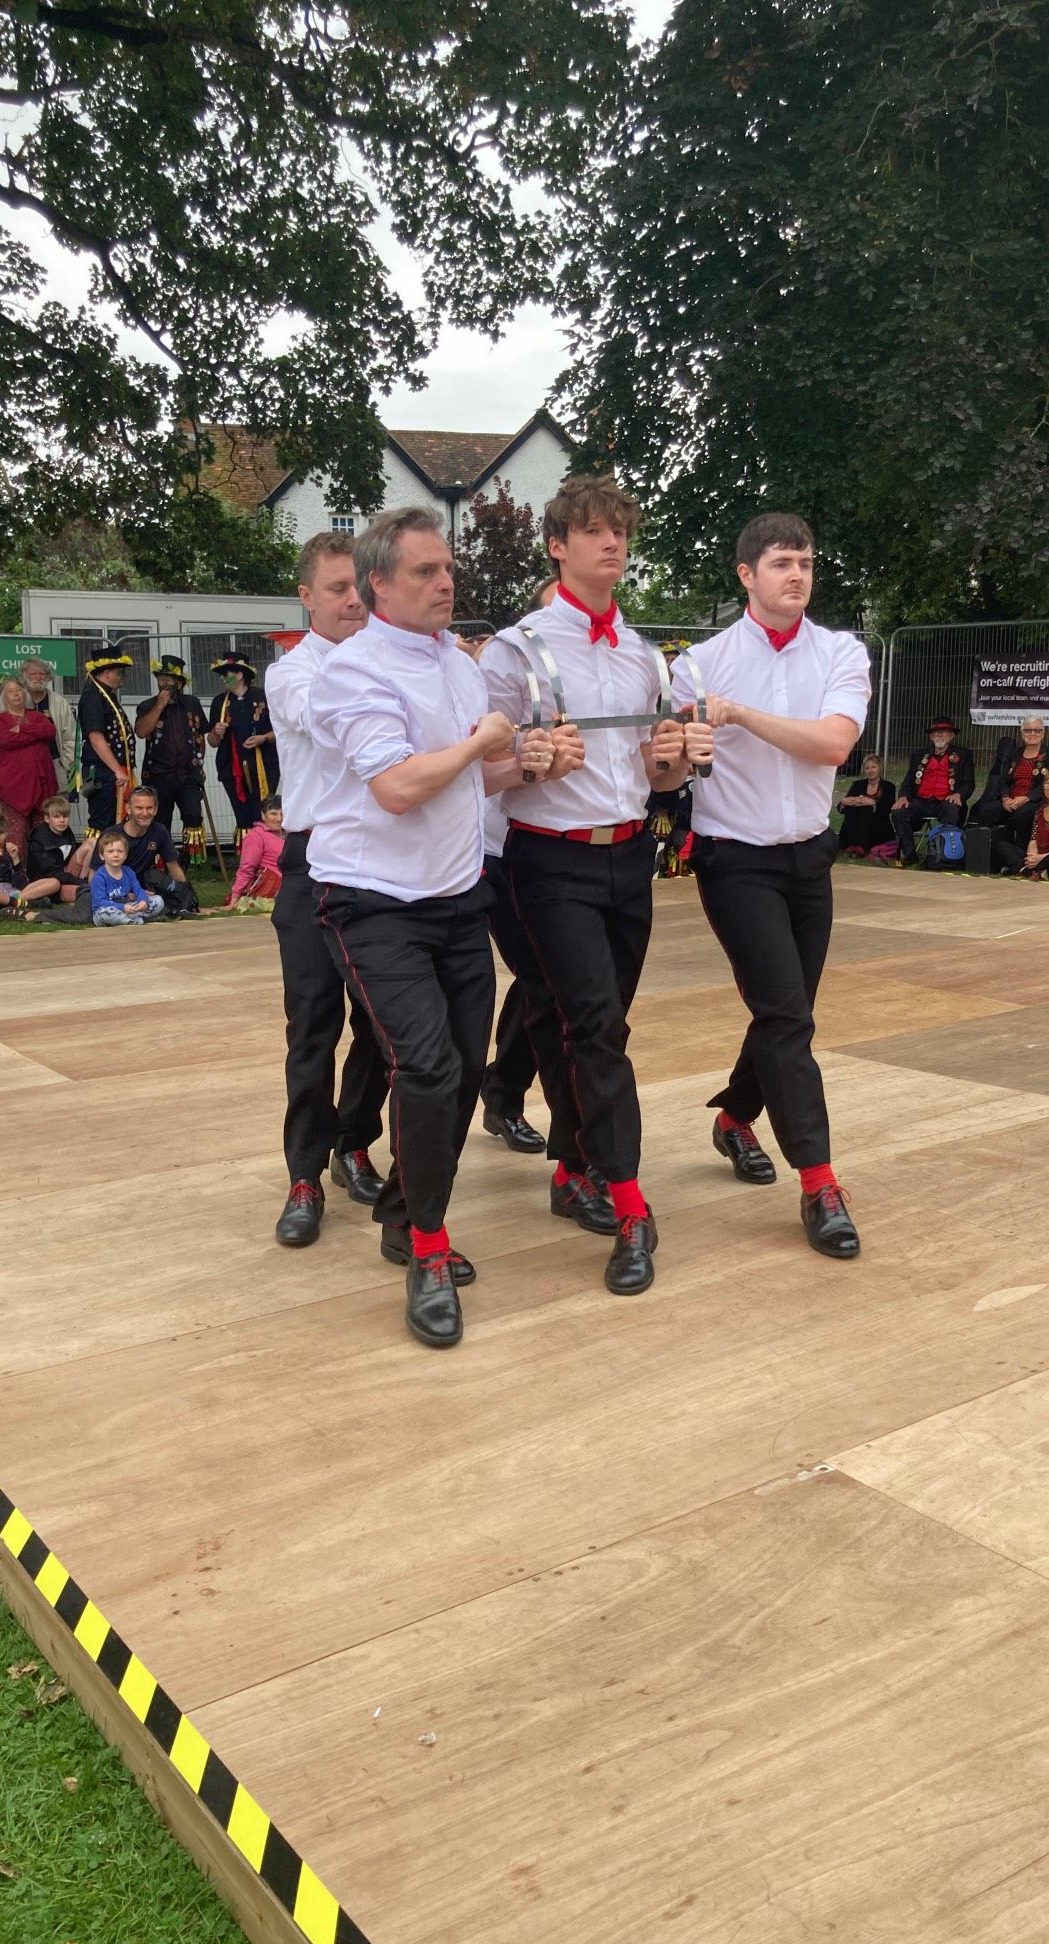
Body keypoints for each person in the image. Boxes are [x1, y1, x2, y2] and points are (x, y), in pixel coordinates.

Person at [309, 506, 531, 1346]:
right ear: (378, 585)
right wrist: (484, 745)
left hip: (456, 898)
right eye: (425, 573)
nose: (445, 583)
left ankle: (405, 1213)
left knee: (461, 1071)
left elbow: (477, 778)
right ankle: (429, 1253)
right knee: (429, 1068)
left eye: (448, 569)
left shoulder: (458, 665)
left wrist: (522, 764)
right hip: (371, 898)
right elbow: (399, 787)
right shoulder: (351, 671)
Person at [481, 473, 693, 1297]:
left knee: (595, 1027)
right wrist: (523, 762)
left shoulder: (643, 655)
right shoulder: (516, 648)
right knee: (596, 1027)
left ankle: (572, 1167)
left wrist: (672, 763)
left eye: (621, 532)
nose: (613, 543)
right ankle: (631, 1201)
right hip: (549, 861)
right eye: (594, 531)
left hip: (630, 856)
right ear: (557, 546)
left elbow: (654, 772)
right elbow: (481, 770)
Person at [676, 512, 870, 1258]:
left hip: (808, 858)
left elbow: (833, 742)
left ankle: (734, 1118)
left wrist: (743, 717)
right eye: (782, 562)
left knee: (786, 1012)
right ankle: (819, 1183)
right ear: (746, 575)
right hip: (735, 860)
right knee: (787, 1016)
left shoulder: (840, 652)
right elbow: (670, 763)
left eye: (807, 562)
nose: (797, 575)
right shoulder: (700, 663)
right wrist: (685, 738)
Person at [263, 529, 391, 1248]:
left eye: (361, 587)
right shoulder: (293, 674)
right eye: (338, 589)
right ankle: (304, 1174)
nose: (353, 600)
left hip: (380, 862)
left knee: (380, 1021)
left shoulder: (390, 661)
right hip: (314, 861)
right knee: (313, 1023)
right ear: (307, 597)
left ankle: (354, 1141)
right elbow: (330, 722)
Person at [478, 575, 559, 1156]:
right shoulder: (507, 675)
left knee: (549, 983)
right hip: (498, 849)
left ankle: (503, 1092)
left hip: (566, 853)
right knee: (542, 980)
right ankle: (504, 1095)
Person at [135, 655, 210, 864]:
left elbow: (201, 736)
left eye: (169, 679)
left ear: (179, 682)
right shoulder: (147, 705)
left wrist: (198, 762)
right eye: (161, 678)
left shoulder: (191, 703)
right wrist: (159, 706)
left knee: (193, 816)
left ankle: (191, 861)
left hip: (188, 774)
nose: (164, 683)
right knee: (160, 820)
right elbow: (141, 732)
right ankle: (161, 861)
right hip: (158, 775)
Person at [0, 674, 60, 857]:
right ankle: (14, 875)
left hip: (41, 783)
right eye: (10, 691)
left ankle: (41, 875)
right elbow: (4, 740)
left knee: (42, 832)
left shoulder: (35, 716)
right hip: (14, 786)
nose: (16, 694)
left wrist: (23, 729)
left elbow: (49, 730)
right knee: (15, 835)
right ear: (4, 697)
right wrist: (34, 734)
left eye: (19, 690)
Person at [887, 717, 975, 866]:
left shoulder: (964, 755)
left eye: (944, 732)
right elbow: (908, 781)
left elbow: (969, 783)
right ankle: (909, 855)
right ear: (930, 736)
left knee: (952, 809)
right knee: (899, 811)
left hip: (946, 801)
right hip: (921, 801)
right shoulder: (919, 755)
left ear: (952, 736)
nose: (939, 735)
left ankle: (942, 855)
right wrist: (903, 796)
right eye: (936, 733)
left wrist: (958, 794)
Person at [208, 656, 275, 841]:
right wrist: (216, 731)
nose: (222, 679)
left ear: (239, 675)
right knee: (242, 815)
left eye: (226, 674)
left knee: (262, 811)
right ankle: (248, 858)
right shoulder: (219, 702)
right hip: (231, 767)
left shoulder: (263, 697)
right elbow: (212, 742)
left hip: (263, 766)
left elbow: (281, 730)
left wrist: (263, 738)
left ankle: (267, 855)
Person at [970, 716, 1049, 848]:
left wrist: (1026, 798)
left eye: (1037, 730)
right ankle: (988, 852)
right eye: (1028, 730)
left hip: (1036, 800)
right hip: (1011, 800)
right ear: (1022, 733)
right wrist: (1005, 797)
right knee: (986, 811)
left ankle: (1022, 852)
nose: (1032, 734)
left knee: (1022, 814)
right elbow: (1002, 778)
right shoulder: (1014, 753)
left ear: (1043, 733)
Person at [118, 787, 202, 917]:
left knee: (155, 879)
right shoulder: (112, 835)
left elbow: (174, 868)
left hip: (146, 889)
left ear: (156, 810)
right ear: (128, 809)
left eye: (149, 808)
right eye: (139, 808)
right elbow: (95, 876)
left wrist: (189, 900)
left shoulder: (159, 831)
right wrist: (125, 894)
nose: (145, 813)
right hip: (117, 890)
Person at [78, 651, 137, 836]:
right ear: (107, 672)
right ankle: (95, 862)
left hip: (114, 770)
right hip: (103, 771)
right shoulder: (92, 696)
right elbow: (96, 738)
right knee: (102, 822)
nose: (123, 678)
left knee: (116, 819)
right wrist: (117, 769)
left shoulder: (107, 695)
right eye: (120, 673)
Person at [0, 808, 60, 916]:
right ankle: (18, 903)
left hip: (11, 891)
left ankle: (4, 903)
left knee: (54, 883)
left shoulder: (8, 848)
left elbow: (22, 885)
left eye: (1, 833)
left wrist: (16, 859)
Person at [3, 657, 76, 794]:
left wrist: (64, 763)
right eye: (33, 674)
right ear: (24, 676)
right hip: (21, 770)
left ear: (48, 677)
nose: (38, 677)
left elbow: (71, 737)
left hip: (54, 766)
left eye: (42, 674)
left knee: (56, 812)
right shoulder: (15, 701)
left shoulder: (59, 703)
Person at [1000, 766, 1049, 879]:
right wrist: (1032, 857)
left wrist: (1040, 858)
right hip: (1038, 856)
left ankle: (1025, 870)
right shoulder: (1040, 811)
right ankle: (1031, 870)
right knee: (1002, 846)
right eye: (1047, 783)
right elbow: (1033, 839)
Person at [27, 794, 96, 908]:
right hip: (48, 882)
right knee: (89, 894)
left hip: (65, 874)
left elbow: (70, 857)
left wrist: (80, 880)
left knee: (92, 842)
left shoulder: (67, 832)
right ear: (47, 819)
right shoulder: (38, 841)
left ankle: (86, 882)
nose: (62, 820)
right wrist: (78, 882)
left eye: (65, 816)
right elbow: (51, 873)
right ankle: (84, 888)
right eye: (57, 817)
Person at [89, 829, 164, 925]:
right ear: (102, 855)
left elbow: (138, 890)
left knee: (158, 900)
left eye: (120, 851)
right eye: (110, 851)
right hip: (108, 911)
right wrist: (122, 907)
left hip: (128, 907)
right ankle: (134, 921)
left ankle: (131, 920)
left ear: (125, 855)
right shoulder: (99, 877)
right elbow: (99, 902)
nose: (115, 855)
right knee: (105, 913)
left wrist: (143, 901)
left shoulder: (128, 871)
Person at [228, 795, 285, 907]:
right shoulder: (256, 835)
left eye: (282, 814)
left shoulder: (290, 833)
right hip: (269, 886)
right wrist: (235, 896)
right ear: (263, 815)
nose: (279, 818)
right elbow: (246, 867)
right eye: (273, 813)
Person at [837, 752, 896, 857]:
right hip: (855, 825)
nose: (870, 770)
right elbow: (843, 809)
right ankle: (853, 845)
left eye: (873, 767)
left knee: (866, 808)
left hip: (878, 826)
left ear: (879, 768)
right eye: (867, 768)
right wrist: (843, 803)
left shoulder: (888, 786)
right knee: (852, 808)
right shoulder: (857, 785)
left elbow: (887, 809)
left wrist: (873, 803)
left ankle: (861, 845)